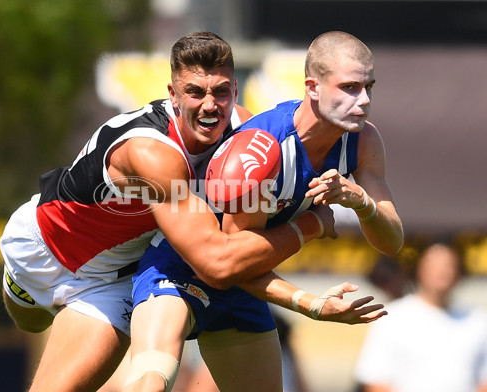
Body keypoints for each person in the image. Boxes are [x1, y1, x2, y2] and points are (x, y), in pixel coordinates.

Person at [0, 32, 368, 392]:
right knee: (29, 322)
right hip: (44, 250)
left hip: (112, 282)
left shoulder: (248, 141)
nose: (210, 105)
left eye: (221, 91)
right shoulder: (151, 153)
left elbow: (240, 248)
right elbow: (217, 263)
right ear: (173, 95)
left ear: (235, 91)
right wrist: (314, 225)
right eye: (195, 92)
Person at [125, 31, 403, 392]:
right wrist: (311, 298)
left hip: (245, 286)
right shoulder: (262, 149)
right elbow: (227, 264)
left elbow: (391, 240)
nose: (363, 100)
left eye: (369, 87)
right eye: (349, 87)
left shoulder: (363, 140)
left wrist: (361, 203)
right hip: (178, 270)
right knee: (151, 382)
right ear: (313, 87)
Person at [355, 243, 487, 392]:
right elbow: (375, 378)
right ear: (420, 270)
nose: (442, 273)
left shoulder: (476, 319)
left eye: (448, 266)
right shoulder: (392, 318)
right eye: (434, 267)